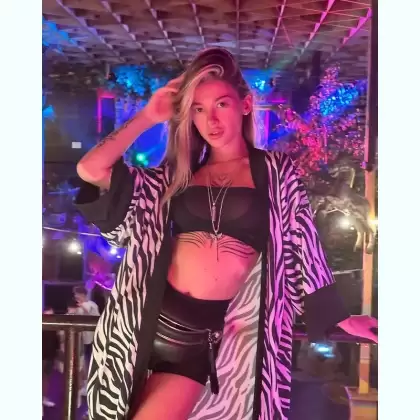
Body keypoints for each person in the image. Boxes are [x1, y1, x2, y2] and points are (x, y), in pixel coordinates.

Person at [75, 48, 377, 420]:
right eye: (198, 109)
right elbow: (90, 170)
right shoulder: (175, 176)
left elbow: (302, 241)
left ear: (245, 105)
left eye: (221, 104)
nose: (211, 120)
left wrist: (340, 317)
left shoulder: (275, 171)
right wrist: (148, 116)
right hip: (145, 327)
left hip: (208, 339)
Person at [73, 285, 100, 395]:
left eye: (77, 294)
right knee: (83, 362)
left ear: (82, 294)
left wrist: (81, 306)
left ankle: (92, 386)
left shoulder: (92, 305)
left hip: (92, 338)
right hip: (82, 339)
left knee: (90, 361)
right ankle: (85, 385)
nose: (76, 297)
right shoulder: (79, 307)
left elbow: (91, 314)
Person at [42, 307, 59, 408]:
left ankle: (43, 398)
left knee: (46, 379)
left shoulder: (54, 329)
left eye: (51, 315)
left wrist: (55, 357)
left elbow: (56, 343)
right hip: (42, 357)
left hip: (50, 357)